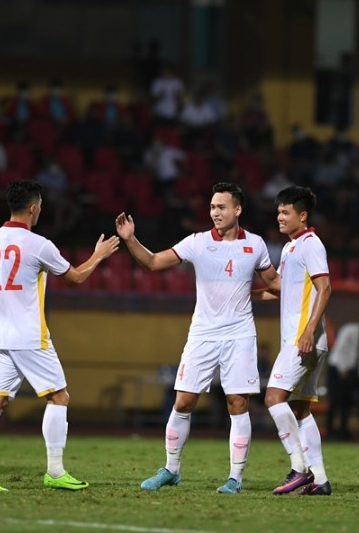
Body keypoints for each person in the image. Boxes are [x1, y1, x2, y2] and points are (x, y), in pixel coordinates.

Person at [115, 182, 280, 494]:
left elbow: (273, 283)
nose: (215, 212)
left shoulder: (256, 245)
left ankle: (235, 478)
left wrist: (309, 290)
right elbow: (152, 263)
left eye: (221, 207)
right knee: (184, 400)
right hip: (202, 333)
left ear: (238, 209)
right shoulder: (198, 242)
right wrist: (130, 240)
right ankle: (171, 469)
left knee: (237, 403)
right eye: (212, 207)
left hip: (240, 334)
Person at [0, 180, 119, 491]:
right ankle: (54, 470)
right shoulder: (39, 244)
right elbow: (76, 277)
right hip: (29, 335)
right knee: (59, 396)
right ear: (34, 208)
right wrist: (98, 255)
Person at [255, 186, 333, 496]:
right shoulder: (290, 249)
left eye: (286, 212)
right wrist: (237, 295)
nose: (280, 218)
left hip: (304, 340)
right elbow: (281, 289)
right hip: (305, 339)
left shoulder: (311, 245)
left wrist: (309, 330)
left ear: (302, 215)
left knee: (273, 398)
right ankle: (321, 479)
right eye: (278, 212)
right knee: (301, 411)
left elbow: (325, 288)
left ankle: (299, 468)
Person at [326, 319, 359, 441]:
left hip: (349, 371)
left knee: (347, 403)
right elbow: (341, 348)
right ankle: (330, 431)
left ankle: (343, 431)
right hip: (337, 368)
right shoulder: (350, 330)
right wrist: (342, 368)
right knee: (334, 402)